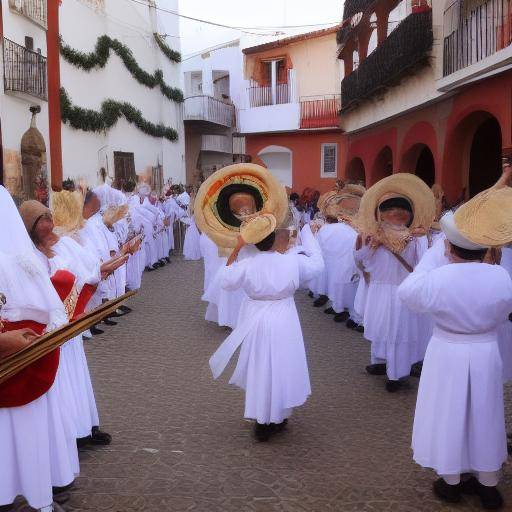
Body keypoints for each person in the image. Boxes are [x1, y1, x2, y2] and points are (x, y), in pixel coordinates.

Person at [398, 183, 512, 509]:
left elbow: (408, 293)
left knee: (449, 413)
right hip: (486, 351)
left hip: (448, 350)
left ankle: (452, 481)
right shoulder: (501, 276)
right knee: (485, 413)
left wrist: (437, 253)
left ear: (449, 247)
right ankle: (487, 483)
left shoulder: (438, 277)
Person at [209, 219, 324, 441]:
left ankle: (262, 418)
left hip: (256, 319)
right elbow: (318, 265)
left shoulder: (248, 264)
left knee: (261, 366)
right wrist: (309, 235)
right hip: (284, 318)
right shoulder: (292, 262)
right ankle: (279, 416)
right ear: (275, 239)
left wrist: (238, 246)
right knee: (281, 365)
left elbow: (225, 280)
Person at [0, 186, 78, 512]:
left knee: (25, 431)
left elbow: (46, 306)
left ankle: (33, 495)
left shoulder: (17, 259)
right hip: (12, 350)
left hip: (23, 359)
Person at [355, 174, 435, 392]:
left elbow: (422, 264)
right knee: (387, 331)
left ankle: (396, 373)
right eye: (390, 210)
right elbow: (361, 259)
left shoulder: (415, 237)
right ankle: (381, 362)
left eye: (398, 210)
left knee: (396, 333)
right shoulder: (373, 235)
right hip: (387, 289)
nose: (394, 214)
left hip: (397, 290)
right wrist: (369, 244)